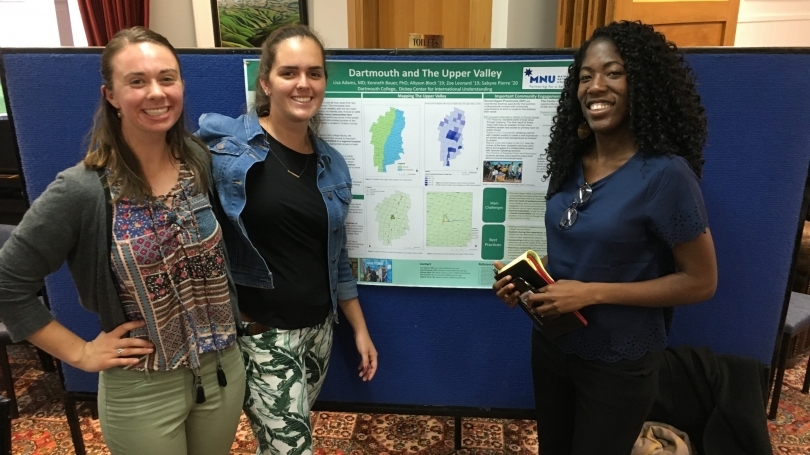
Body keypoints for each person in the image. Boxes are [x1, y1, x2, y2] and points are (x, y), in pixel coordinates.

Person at [0, 27, 245, 455]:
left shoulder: (197, 162)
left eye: (167, 78)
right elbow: (8, 282)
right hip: (143, 386)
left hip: (222, 369)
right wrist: (79, 352)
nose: (156, 92)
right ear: (111, 95)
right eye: (137, 81)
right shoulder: (81, 190)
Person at [493, 21, 717, 455]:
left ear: (643, 84)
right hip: (555, 347)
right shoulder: (570, 162)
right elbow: (582, 247)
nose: (596, 86)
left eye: (614, 73)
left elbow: (701, 282)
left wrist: (589, 294)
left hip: (619, 363)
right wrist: (527, 284)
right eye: (585, 76)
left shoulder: (666, 175)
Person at [197, 24, 378, 455]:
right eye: (289, 72)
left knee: (278, 446)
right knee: (292, 449)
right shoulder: (226, 152)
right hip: (262, 335)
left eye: (314, 73)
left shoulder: (331, 165)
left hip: (318, 331)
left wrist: (360, 329)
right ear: (265, 82)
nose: (303, 84)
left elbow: (336, 257)